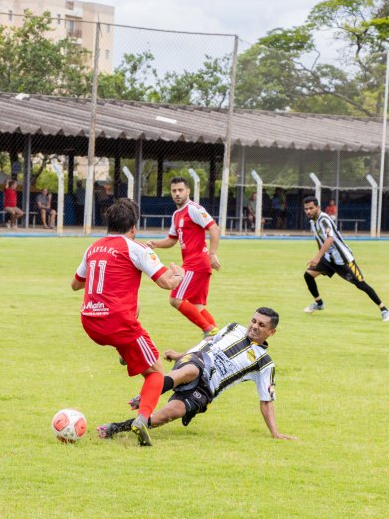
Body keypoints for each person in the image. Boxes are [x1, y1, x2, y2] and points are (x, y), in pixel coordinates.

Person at [71, 198, 185, 446]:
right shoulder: (137, 248)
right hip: (117, 323)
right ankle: (142, 419)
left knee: (135, 306)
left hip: (90, 322)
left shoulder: (93, 248)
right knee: (156, 372)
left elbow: (75, 284)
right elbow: (166, 282)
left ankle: (125, 352)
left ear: (107, 224)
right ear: (134, 227)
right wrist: (179, 275)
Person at [97, 308, 295, 441]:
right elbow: (205, 344)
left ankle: (116, 428)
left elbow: (266, 400)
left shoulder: (265, 363)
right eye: (254, 321)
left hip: (207, 388)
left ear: (272, 332)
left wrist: (275, 433)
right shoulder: (233, 328)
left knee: (169, 414)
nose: (254, 326)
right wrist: (180, 355)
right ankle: (148, 394)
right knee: (191, 370)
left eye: (262, 325)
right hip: (197, 361)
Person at [147, 176, 221, 338]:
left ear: (188, 191)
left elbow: (214, 228)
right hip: (195, 264)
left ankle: (208, 330)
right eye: (174, 191)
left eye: (180, 190)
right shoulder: (176, 214)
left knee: (175, 298)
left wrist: (213, 253)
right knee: (197, 305)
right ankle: (218, 339)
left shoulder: (194, 209)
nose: (177, 194)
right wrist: (156, 244)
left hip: (197, 263)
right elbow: (172, 240)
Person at [302, 195, 389, 321]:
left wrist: (317, 257)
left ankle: (384, 310)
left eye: (311, 208)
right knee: (308, 275)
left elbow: (330, 239)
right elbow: (320, 240)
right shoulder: (313, 221)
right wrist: (320, 258)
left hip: (343, 259)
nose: (308, 211)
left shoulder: (323, 220)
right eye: (306, 209)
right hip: (328, 258)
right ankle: (319, 303)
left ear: (318, 207)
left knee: (361, 284)